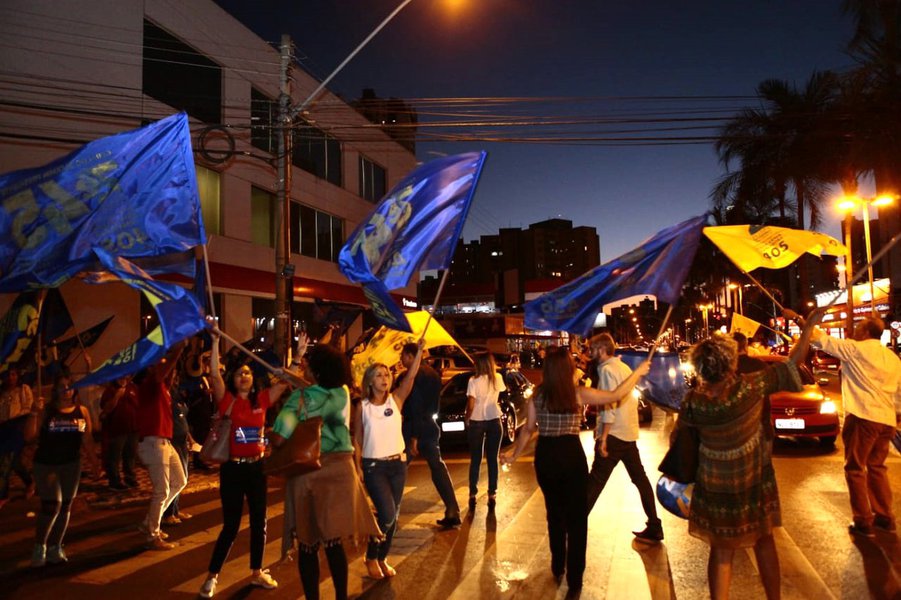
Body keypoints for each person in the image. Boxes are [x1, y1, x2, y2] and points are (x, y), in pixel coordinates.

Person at [681, 308, 822, 600]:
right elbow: (792, 363)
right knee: (765, 540)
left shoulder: (694, 403)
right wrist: (806, 328)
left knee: (721, 552)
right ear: (731, 365)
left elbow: (680, 436)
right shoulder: (750, 388)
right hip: (754, 480)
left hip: (715, 489)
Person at [501, 346, 650, 592]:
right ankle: (575, 580)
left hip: (546, 456)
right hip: (571, 456)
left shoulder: (537, 396)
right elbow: (614, 395)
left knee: (554, 514)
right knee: (577, 520)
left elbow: (527, 430)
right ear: (567, 369)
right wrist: (638, 373)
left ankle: (557, 564)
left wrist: (513, 454)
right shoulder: (577, 394)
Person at [271, 342, 381, 600]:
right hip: (340, 471)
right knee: (333, 543)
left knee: (308, 546)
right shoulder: (341, 393)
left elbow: (279, 437)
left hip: (309, 470)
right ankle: (341, 596)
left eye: (309, 366)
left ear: (317, 372)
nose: (306, 368)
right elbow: (317, 392)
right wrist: (290, 377)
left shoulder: (300, 399)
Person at [198, 333, 289, 598]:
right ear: (234, 379)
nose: (244, 376)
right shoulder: (228, 401)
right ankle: (212, 577)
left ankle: (257, 572)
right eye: (239, 373)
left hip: (257, 468)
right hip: (233, 469)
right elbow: (214, 375)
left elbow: (284, 383)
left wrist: (297, 359)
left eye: (248, 373)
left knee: (260, 522)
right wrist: (215, 344)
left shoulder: (260, 400)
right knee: (231, 525)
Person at [806, 314, 901, 537]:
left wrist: (803, 322)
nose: (854, 331)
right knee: (877, 467)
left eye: (858, 327)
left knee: (855, 468)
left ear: (866, 332)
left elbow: (821, 340)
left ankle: (863, 520)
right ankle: (884, 516)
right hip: (885, 419)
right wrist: (896, 415)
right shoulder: (892, 358)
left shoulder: (855, 350)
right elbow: (899, 392)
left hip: (863, 416)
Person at [353, 339, 425, 580]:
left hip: (398, 464)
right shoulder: (362, 407)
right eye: (379, 375)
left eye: (386, 374)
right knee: (386, 513)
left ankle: (382, 558)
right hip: (375, 467)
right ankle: (371, 556)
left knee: (393, 516)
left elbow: (411, 377)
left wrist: (419, 353)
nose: (384, 379)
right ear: (370, 381)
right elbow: (357, 439)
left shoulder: (396, 400)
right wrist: (358, 466)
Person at [585, 333, 662, 543]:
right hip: (627, 433)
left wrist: (604, 436)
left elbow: (609, 405)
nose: (589, 353)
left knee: (595, 482)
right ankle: (654, 525)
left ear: (601, 350)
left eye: (592, 349)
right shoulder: (623, 367)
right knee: (640, 479)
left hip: (615, 435)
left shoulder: (608, 370)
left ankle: (575, 524)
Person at [26, 375, 100, 567]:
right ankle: (39, 546)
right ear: (56, 390)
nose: (66, 390)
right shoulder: (47, 410)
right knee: (52, 505)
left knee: (66, 505)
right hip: (47, 463)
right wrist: (34, 412)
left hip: (71, 464)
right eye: (62, 386)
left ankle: (55, 546)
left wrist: (94, 462)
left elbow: (87, 439)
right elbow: (29, 436)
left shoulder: (81, 411)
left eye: (70, 386)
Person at [399, 342, 461, 528]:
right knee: (437, 467)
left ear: (411, 356)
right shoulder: (433, 374)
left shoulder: (412, 377)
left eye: (402, 356)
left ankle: (388, 508)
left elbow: (415, 406)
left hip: (414, 427)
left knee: (399, 468)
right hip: (430, 425)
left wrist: (414, 437)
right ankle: (452, 509)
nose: (400, 359)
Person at [134, 342, 187, 550]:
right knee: (161, 491)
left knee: (180, 481)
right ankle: (152, 534)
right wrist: (178, 349)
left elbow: (169, 372)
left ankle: (149, 521)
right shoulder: (148, 384)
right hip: (153, 442)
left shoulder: (162, 387)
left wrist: (175, 358)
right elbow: (164, 370)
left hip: (165, 441)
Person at [465, 352, 506, 511]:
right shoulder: (498, 378)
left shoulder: (473, 381)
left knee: (475, 459)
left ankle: (472, 493)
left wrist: (467, 418)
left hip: (476, 421)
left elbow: (471, 403)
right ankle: (492, 493)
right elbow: (500, 391)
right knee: (492, 459)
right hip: (494, 419)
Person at [0, 368, 35, 508]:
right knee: (12, 461)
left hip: (17, 429)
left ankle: (3, 494)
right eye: (8, 375)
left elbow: (28, 407)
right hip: (3, 430)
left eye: (13, 374)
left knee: (7, 460)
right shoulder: (2, 393)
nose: (11, 378)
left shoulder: (23, 389)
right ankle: (29, 482)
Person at [162, 381, 195, 525]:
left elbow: (183, 420)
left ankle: (175, 510)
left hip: (182, 439)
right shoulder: (165, 396)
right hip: (172, 439)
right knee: (176, 477)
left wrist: (190, 438)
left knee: (183, 476)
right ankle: (168, 513)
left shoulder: (178, 396)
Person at [99, 375, 139, 491]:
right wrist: (117, 396)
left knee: (130, 455)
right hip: (117, 429)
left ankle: (129, 477)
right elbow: (106, 409)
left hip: (133, 428)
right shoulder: (110, 390)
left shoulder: (133, 388)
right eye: (120, 377)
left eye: (125, 376)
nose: (123, 379)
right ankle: (114, 480)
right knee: (114, 456)